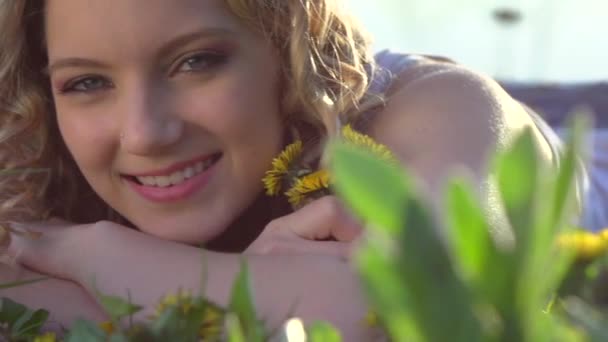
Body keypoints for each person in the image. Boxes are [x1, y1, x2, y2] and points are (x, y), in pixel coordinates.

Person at [0, 0, 558, 339]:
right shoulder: (34, 153)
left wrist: (93, 255)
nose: (145, 133)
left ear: (290, 45)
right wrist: (276, 292)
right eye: (87, 82)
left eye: (197, 62)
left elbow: (435, 307)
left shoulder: (441, 109)